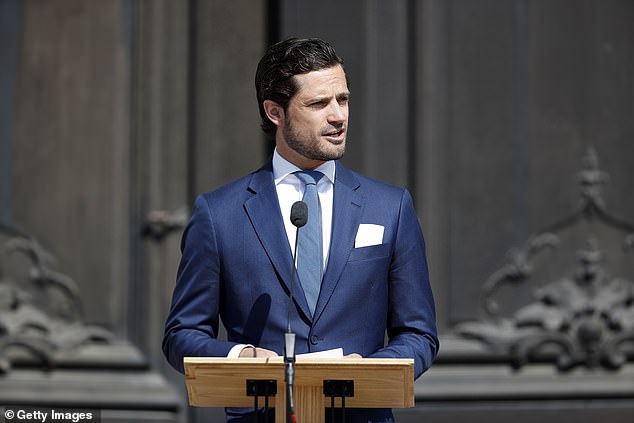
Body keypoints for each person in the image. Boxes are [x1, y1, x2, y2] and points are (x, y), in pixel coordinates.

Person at [163, 37, 439, 423]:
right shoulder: (219, 214)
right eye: (318, 104)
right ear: (275, 111)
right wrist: (239, 356)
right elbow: (181, 334)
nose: (338, 116)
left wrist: (371, 370)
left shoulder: (390, 207)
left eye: (342, 100)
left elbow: (419, 334)